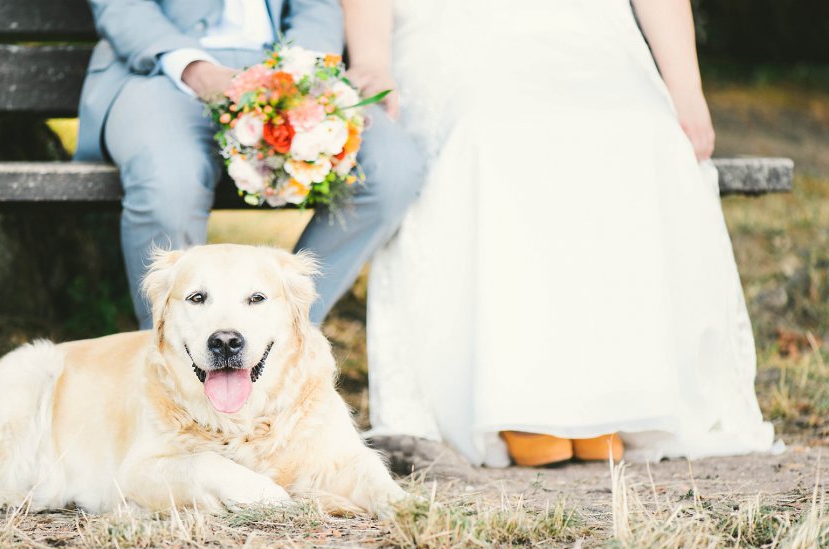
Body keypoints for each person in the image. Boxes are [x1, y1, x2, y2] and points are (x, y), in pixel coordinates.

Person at [348, 0, 777, 467]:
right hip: (450, 28)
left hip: (588, 31)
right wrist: (372, 59)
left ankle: (616, 396)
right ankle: (515, 400)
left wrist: (687, 88)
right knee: (494, 128)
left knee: (640, 125)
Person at [74, 0, 426, 329]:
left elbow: (316, 6)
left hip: (281, 68)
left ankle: (281, 336)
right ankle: (176, 364)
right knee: (169, 181)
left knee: (392, 168)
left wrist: (300, 76)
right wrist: (197, 70)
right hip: (159, 69)